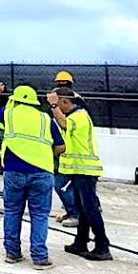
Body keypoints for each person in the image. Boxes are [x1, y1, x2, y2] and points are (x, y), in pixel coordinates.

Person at [0, 82, 65, 269]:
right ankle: (40, 257)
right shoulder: (46, 119)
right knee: (40, 215)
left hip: (14, 171)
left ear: (15, 101)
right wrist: (44, 155)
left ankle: (12, 253)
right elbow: (61, 146)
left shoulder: (9, 114)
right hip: (42, 172)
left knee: (12, 211)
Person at [49, 87, 112, 261]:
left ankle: (102, 246)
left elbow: (63, 124)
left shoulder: (80, 116)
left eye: (58, 104)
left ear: (64, 102)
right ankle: (81, 241)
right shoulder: (74, 116)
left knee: (90, 209)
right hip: (77, 170)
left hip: (85, 170)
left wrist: (53, 105)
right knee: (82, 209)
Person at [50, 70, 80, 227]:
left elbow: (64, 124)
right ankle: (73, 211)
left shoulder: (74, 106)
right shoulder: (73, 100)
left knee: (61, 184)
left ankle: (75, 214)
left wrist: (54, 105)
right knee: (73, 186)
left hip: (74, 154)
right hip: (68, 153)